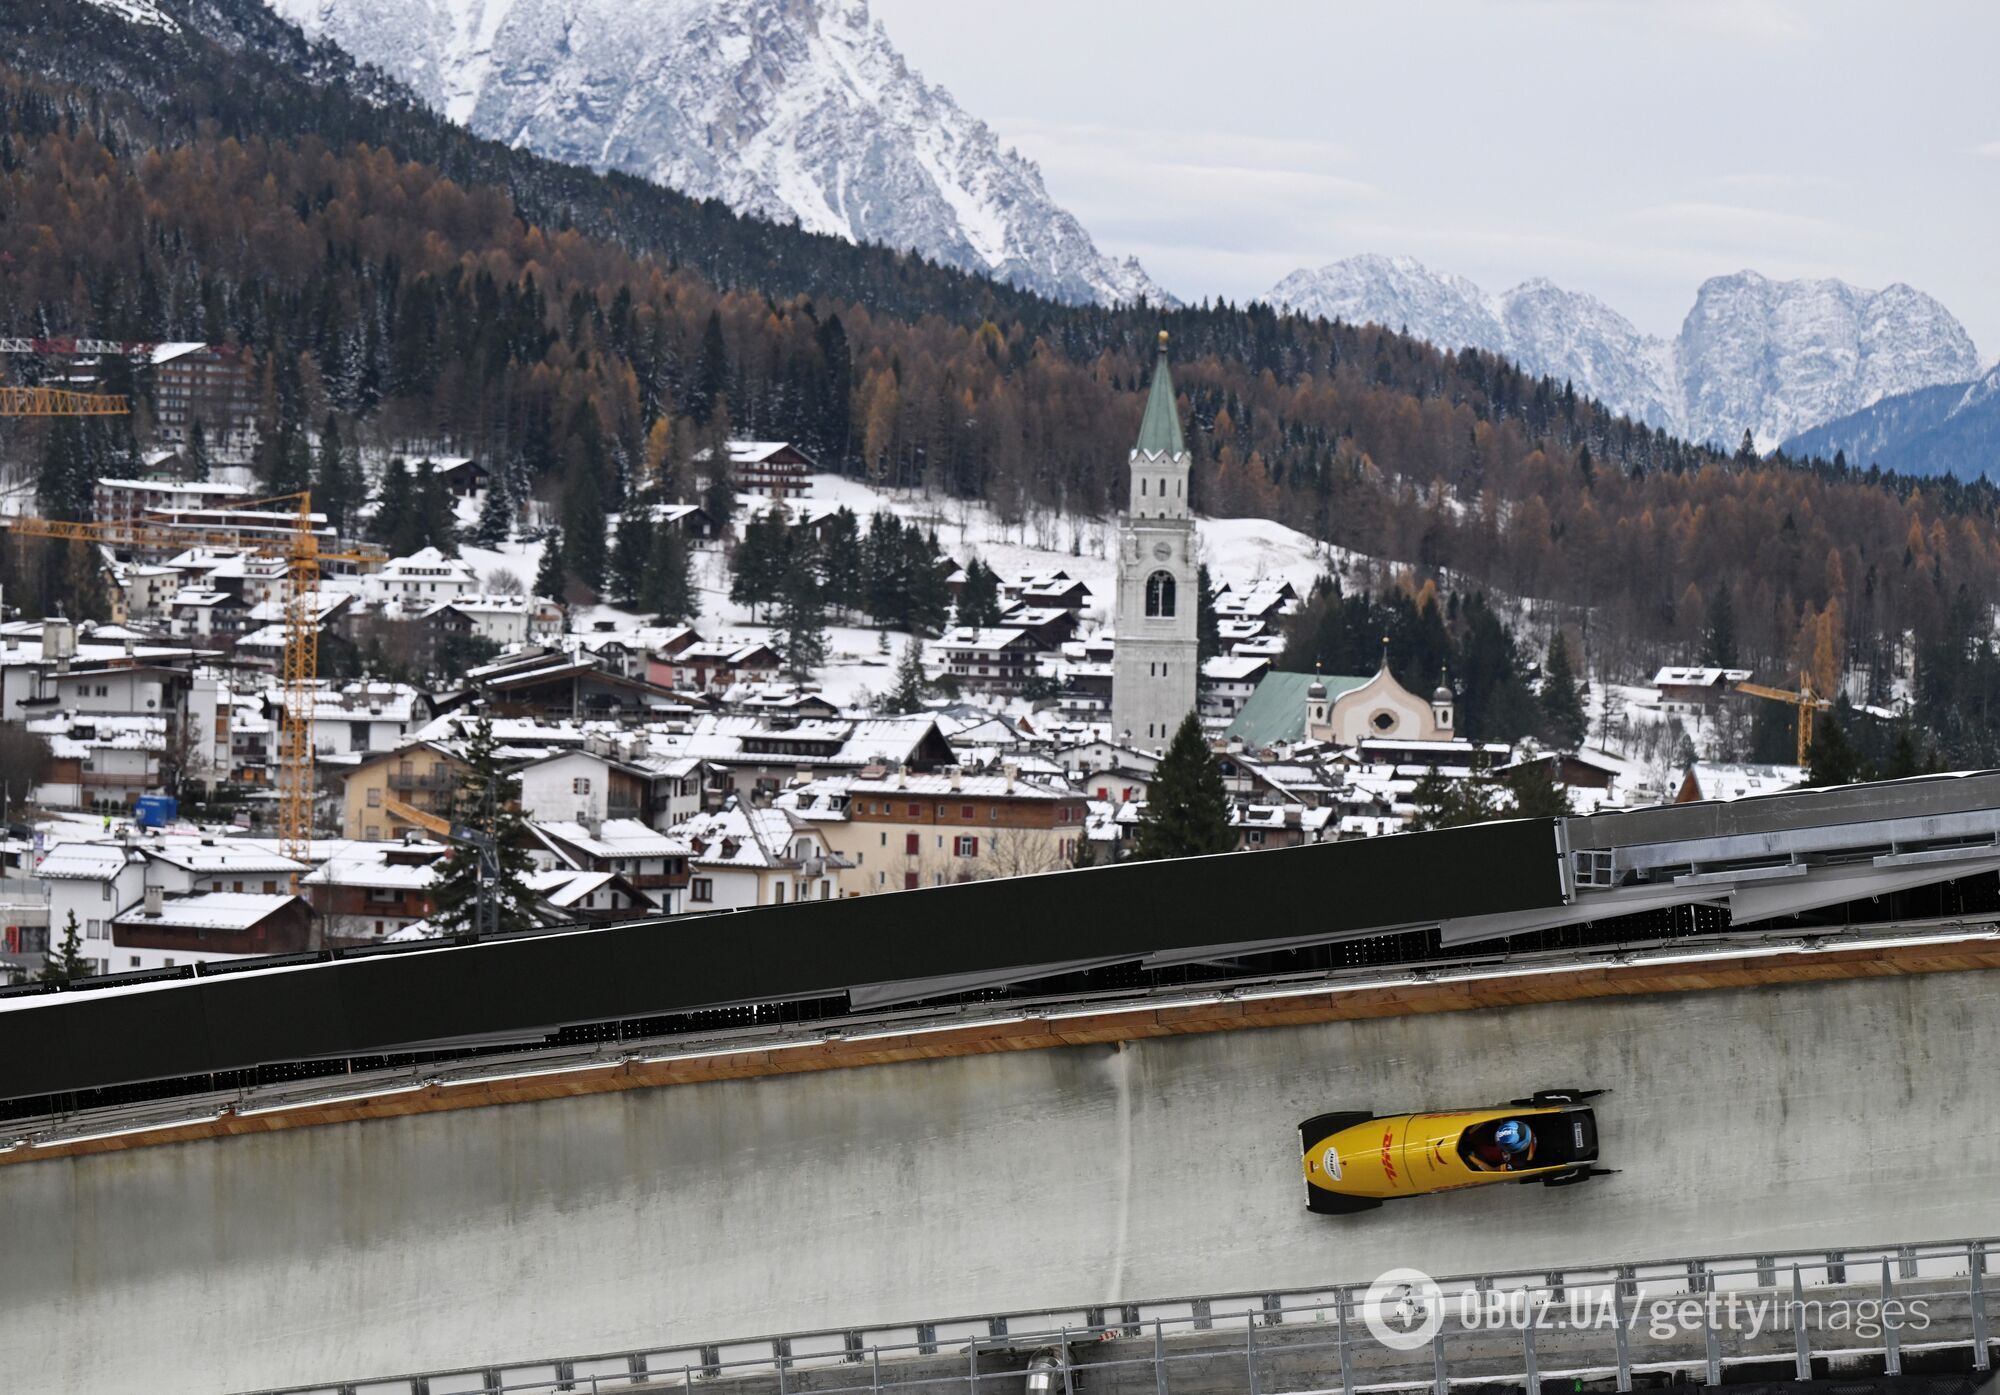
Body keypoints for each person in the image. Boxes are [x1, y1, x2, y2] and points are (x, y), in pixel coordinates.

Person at [1468, 1118, 1537, 1171]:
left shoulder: (1520, 1162)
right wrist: (1469, 1131)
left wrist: (1469, 1157)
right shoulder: (1515, 1122)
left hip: (1477, 1155)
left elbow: (1491, 1170)